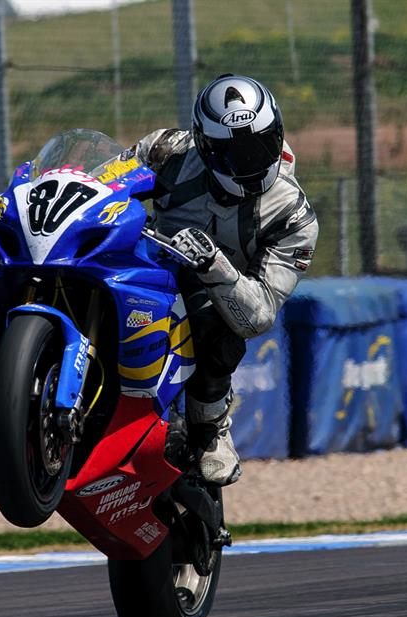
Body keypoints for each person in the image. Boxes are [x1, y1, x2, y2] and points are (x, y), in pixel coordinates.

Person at [127, 73, 319, 486]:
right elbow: (102, 181)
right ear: (205, 146)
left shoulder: (293, 215)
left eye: (259, 145)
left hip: (214, 292)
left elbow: (259, 314)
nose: (249, 162)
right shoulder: (166, 152)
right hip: (144, 265)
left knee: (222, 331)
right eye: (233, 153)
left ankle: (210, 427)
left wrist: (214, 265)